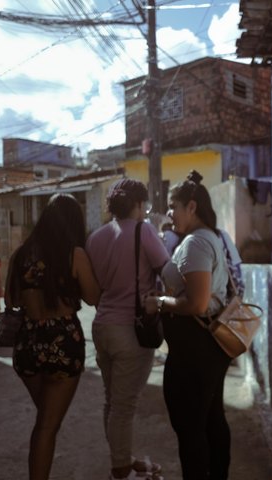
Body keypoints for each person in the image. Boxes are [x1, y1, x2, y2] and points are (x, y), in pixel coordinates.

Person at [143, 170, 232, 480]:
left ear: (191, 207)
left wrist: (159, 302)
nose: (170, 213)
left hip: (194, 350)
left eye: (173, 206)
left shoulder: (196, 243)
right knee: (210, 420)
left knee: (191, 427)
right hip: (203, 347)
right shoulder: (207, 238)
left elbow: (196, 303)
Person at [5, 194, 101, 480]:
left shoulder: (20, 254)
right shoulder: (75, 254)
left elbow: (10, 300)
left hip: (28, 342)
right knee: (46, 426)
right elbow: (93, 297)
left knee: (46, 421)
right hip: (63, 341)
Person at [86, 179, 169, 480]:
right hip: (130, 330)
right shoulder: (143, 230)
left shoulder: (96, 237)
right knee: (124, 405)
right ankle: (120, 470)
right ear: (138, 204)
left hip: (102, 326)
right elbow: (168, 270)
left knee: (112, 401)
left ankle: (122, 459)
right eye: (144, 204)